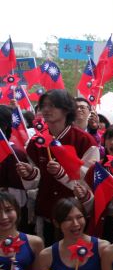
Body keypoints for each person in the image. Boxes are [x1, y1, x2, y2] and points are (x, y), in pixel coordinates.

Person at [21, 89, 100, 244]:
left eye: (52, 105)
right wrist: (29, 173)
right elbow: (34, 181)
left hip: (75, 217)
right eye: (43, 106)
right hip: (46, 212)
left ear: (66, 109)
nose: (46, 110)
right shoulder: (36, 142)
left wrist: (62, 174)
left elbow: (90, 178)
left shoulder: (85, 141)